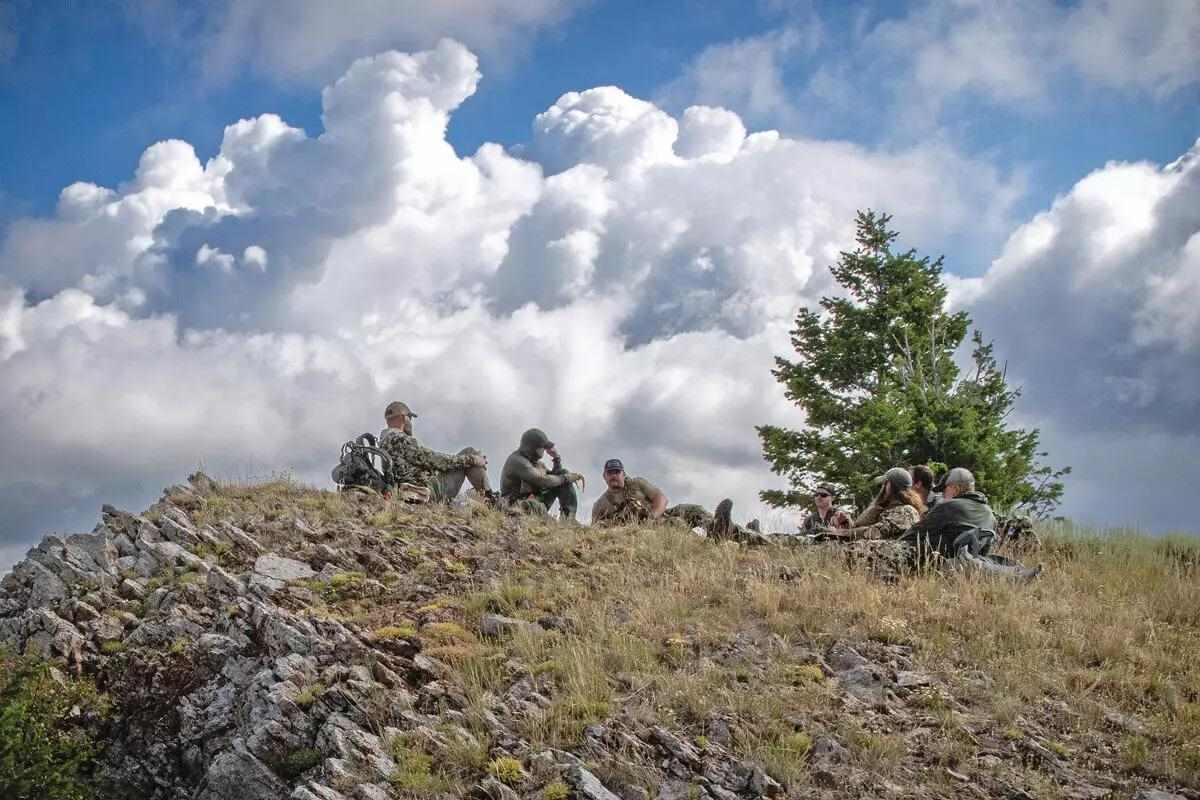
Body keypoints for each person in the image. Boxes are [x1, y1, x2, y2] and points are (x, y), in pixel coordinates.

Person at [901, 467, 1041, 580]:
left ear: (955, 488)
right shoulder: (989, 513)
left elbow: (914, 535)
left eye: (945, 489)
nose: (943, 495)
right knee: (987, 562)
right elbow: (985, 550)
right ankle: (1016, 573)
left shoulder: (950, 507)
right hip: (971, 562)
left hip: (944, 566)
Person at [377, 401, 498, 504]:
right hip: (426, 492)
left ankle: (486, 497)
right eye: (410, 418)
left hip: (409, 490)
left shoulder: (384, 441)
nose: (411, 422)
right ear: (404, 417)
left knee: (467, 458)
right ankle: (491, 500)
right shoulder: (401, 439)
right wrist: (473, 459)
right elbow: (433, 460)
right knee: (469, 452)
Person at [816, 467, 924, 542]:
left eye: (884, 484)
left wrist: (839, 533)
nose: (882, 488)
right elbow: (862, 529)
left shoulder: (906, 511)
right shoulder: (886, 508)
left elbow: (874, 532)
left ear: (889, 485)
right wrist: (846, 523)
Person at [499, 428, 584, 519]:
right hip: (516, 505)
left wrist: (556, 459)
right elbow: (542, 480)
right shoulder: (517, 461)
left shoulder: (537, 463)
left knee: (562, 473)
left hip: (536, 501)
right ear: (533, 447)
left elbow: (554, 478)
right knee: (563, 478)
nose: (544, 450)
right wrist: (565, 478)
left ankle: (568, 519)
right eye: (542, 447)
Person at [590, 458, 668, 524]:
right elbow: (595, 529)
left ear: (623, 474)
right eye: (610, 473)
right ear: (604, 476)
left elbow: (661, 499)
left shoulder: (637, 484)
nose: (613, 476)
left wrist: (651, 518)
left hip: (653, 523)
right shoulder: (599, 505)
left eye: (617, 472)